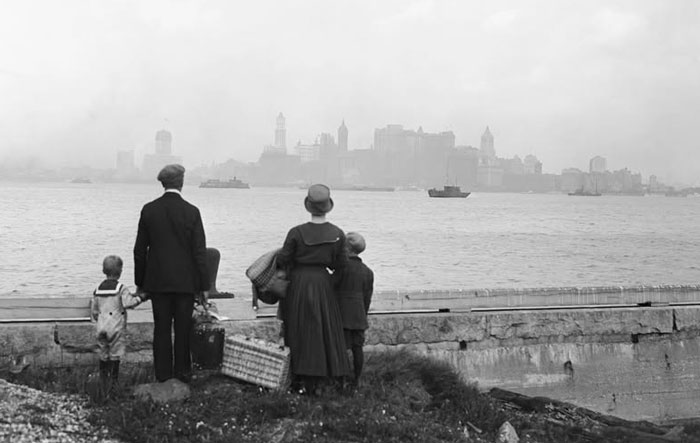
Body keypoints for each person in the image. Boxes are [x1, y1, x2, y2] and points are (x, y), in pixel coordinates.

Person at [133, 164, 209, 383]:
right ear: (181, 182)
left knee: (162, 330)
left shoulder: (149, 210)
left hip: (157, 282)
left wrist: (141, 282)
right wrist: (203, 286)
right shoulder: (192, 212)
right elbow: (199, 253)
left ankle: (163, 376)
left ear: (163, 183)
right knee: (183, 330)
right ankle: (183, 375)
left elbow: (139, 250)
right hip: (186, 283)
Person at [276, 183, 350, 393]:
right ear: (328, 207)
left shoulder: (296, 232)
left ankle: (299, 376)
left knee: (298, 328)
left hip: (298, 282)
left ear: (308, 206)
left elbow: (283, 259)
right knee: (324, 329)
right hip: (322, 283)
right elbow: (342, 266)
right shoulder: (337, 233)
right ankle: (325, 377)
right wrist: (328, 283)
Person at [90, 255, 143, 392]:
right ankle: (113, 383)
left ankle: (103, 380)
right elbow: (128, 303)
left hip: (101, 326)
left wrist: (98, 319)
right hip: (116, 327)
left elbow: (95, 310)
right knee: (115, 354)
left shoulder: (98, 289)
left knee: (103, 352)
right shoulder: (121, 288)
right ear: (120, 271)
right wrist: (140, 298)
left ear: (103, 270)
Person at [334, 232, 374, 387]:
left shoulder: (342, 267)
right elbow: (367, 297)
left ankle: (341, 379)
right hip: (358, 315)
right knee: (358, 348)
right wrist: (363, 314)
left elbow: (332, 287)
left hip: (341, 314)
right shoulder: (368, 272)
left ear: (347, 248)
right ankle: (356, 379)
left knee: (340, 348)